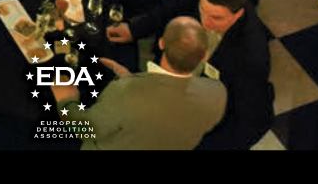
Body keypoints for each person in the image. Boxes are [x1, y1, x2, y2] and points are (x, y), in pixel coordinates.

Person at [107, 0, 273, 152]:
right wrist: (134, 29)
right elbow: (171, 7)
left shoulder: (251, 58)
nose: (205, 22)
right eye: (202, 11)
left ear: (238, 14)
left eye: (216, 18)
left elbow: (252, 124)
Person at [74, 17, 227, 151]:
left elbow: (87, 129)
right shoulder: (217, 94)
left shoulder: (123, 93)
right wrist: (133, 80)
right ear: (204, 56)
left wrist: (66, 101)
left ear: (161, 43)